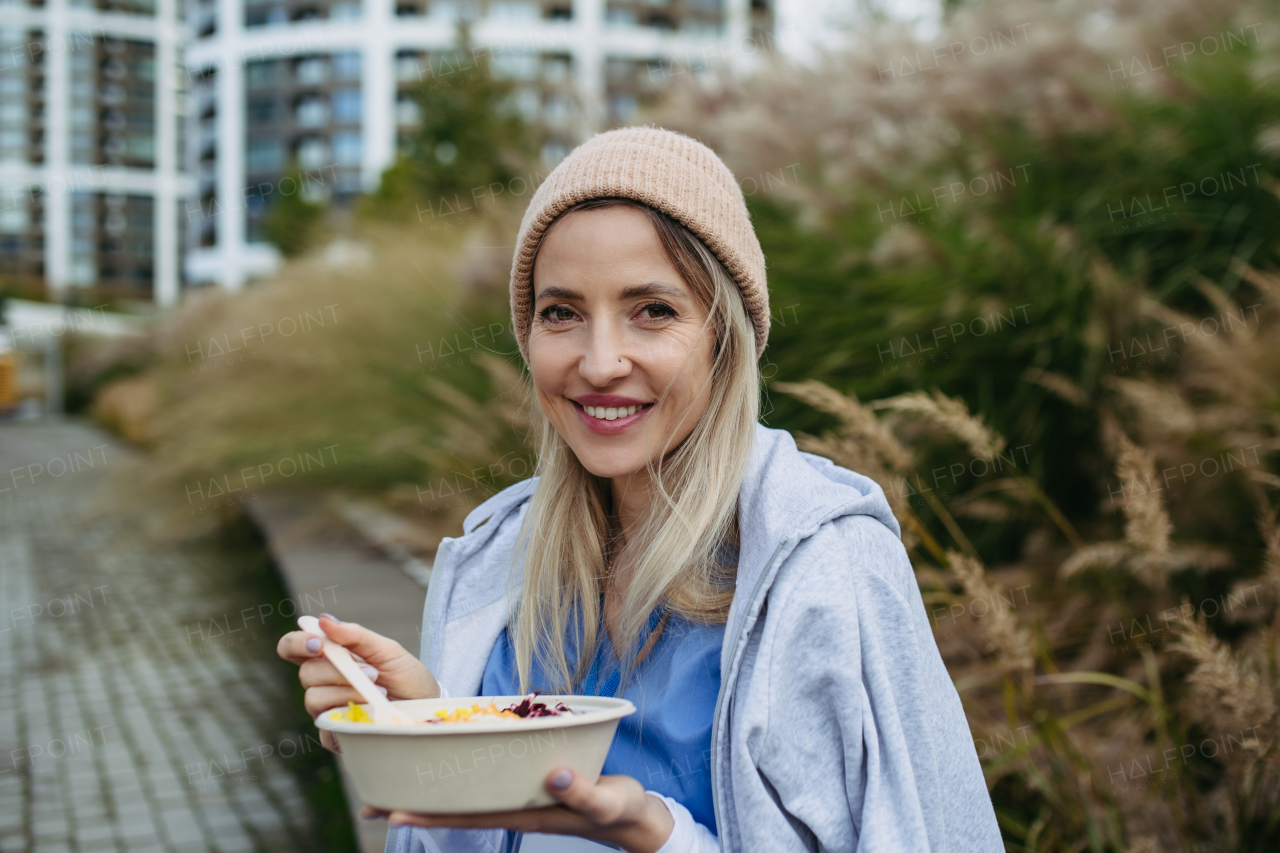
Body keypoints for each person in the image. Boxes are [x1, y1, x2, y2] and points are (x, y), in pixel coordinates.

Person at [277, 127, 1003, 853]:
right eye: (561, 312)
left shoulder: (825, 568)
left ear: (728, 336)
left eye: (653, 310)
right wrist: (428, 736)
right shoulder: (499, 559)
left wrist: (657, 837)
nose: (598, 363)